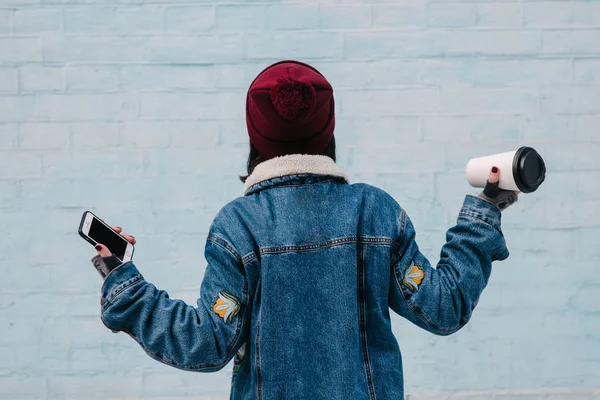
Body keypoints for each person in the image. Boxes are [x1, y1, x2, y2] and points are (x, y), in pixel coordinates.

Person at [92, 60, 518, 399]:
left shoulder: (237, 227)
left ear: (255, 137)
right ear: (327, 129)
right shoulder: (375, 211)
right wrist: (484, 209)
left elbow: (205, 344)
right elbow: (443, 307)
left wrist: (124, 285)